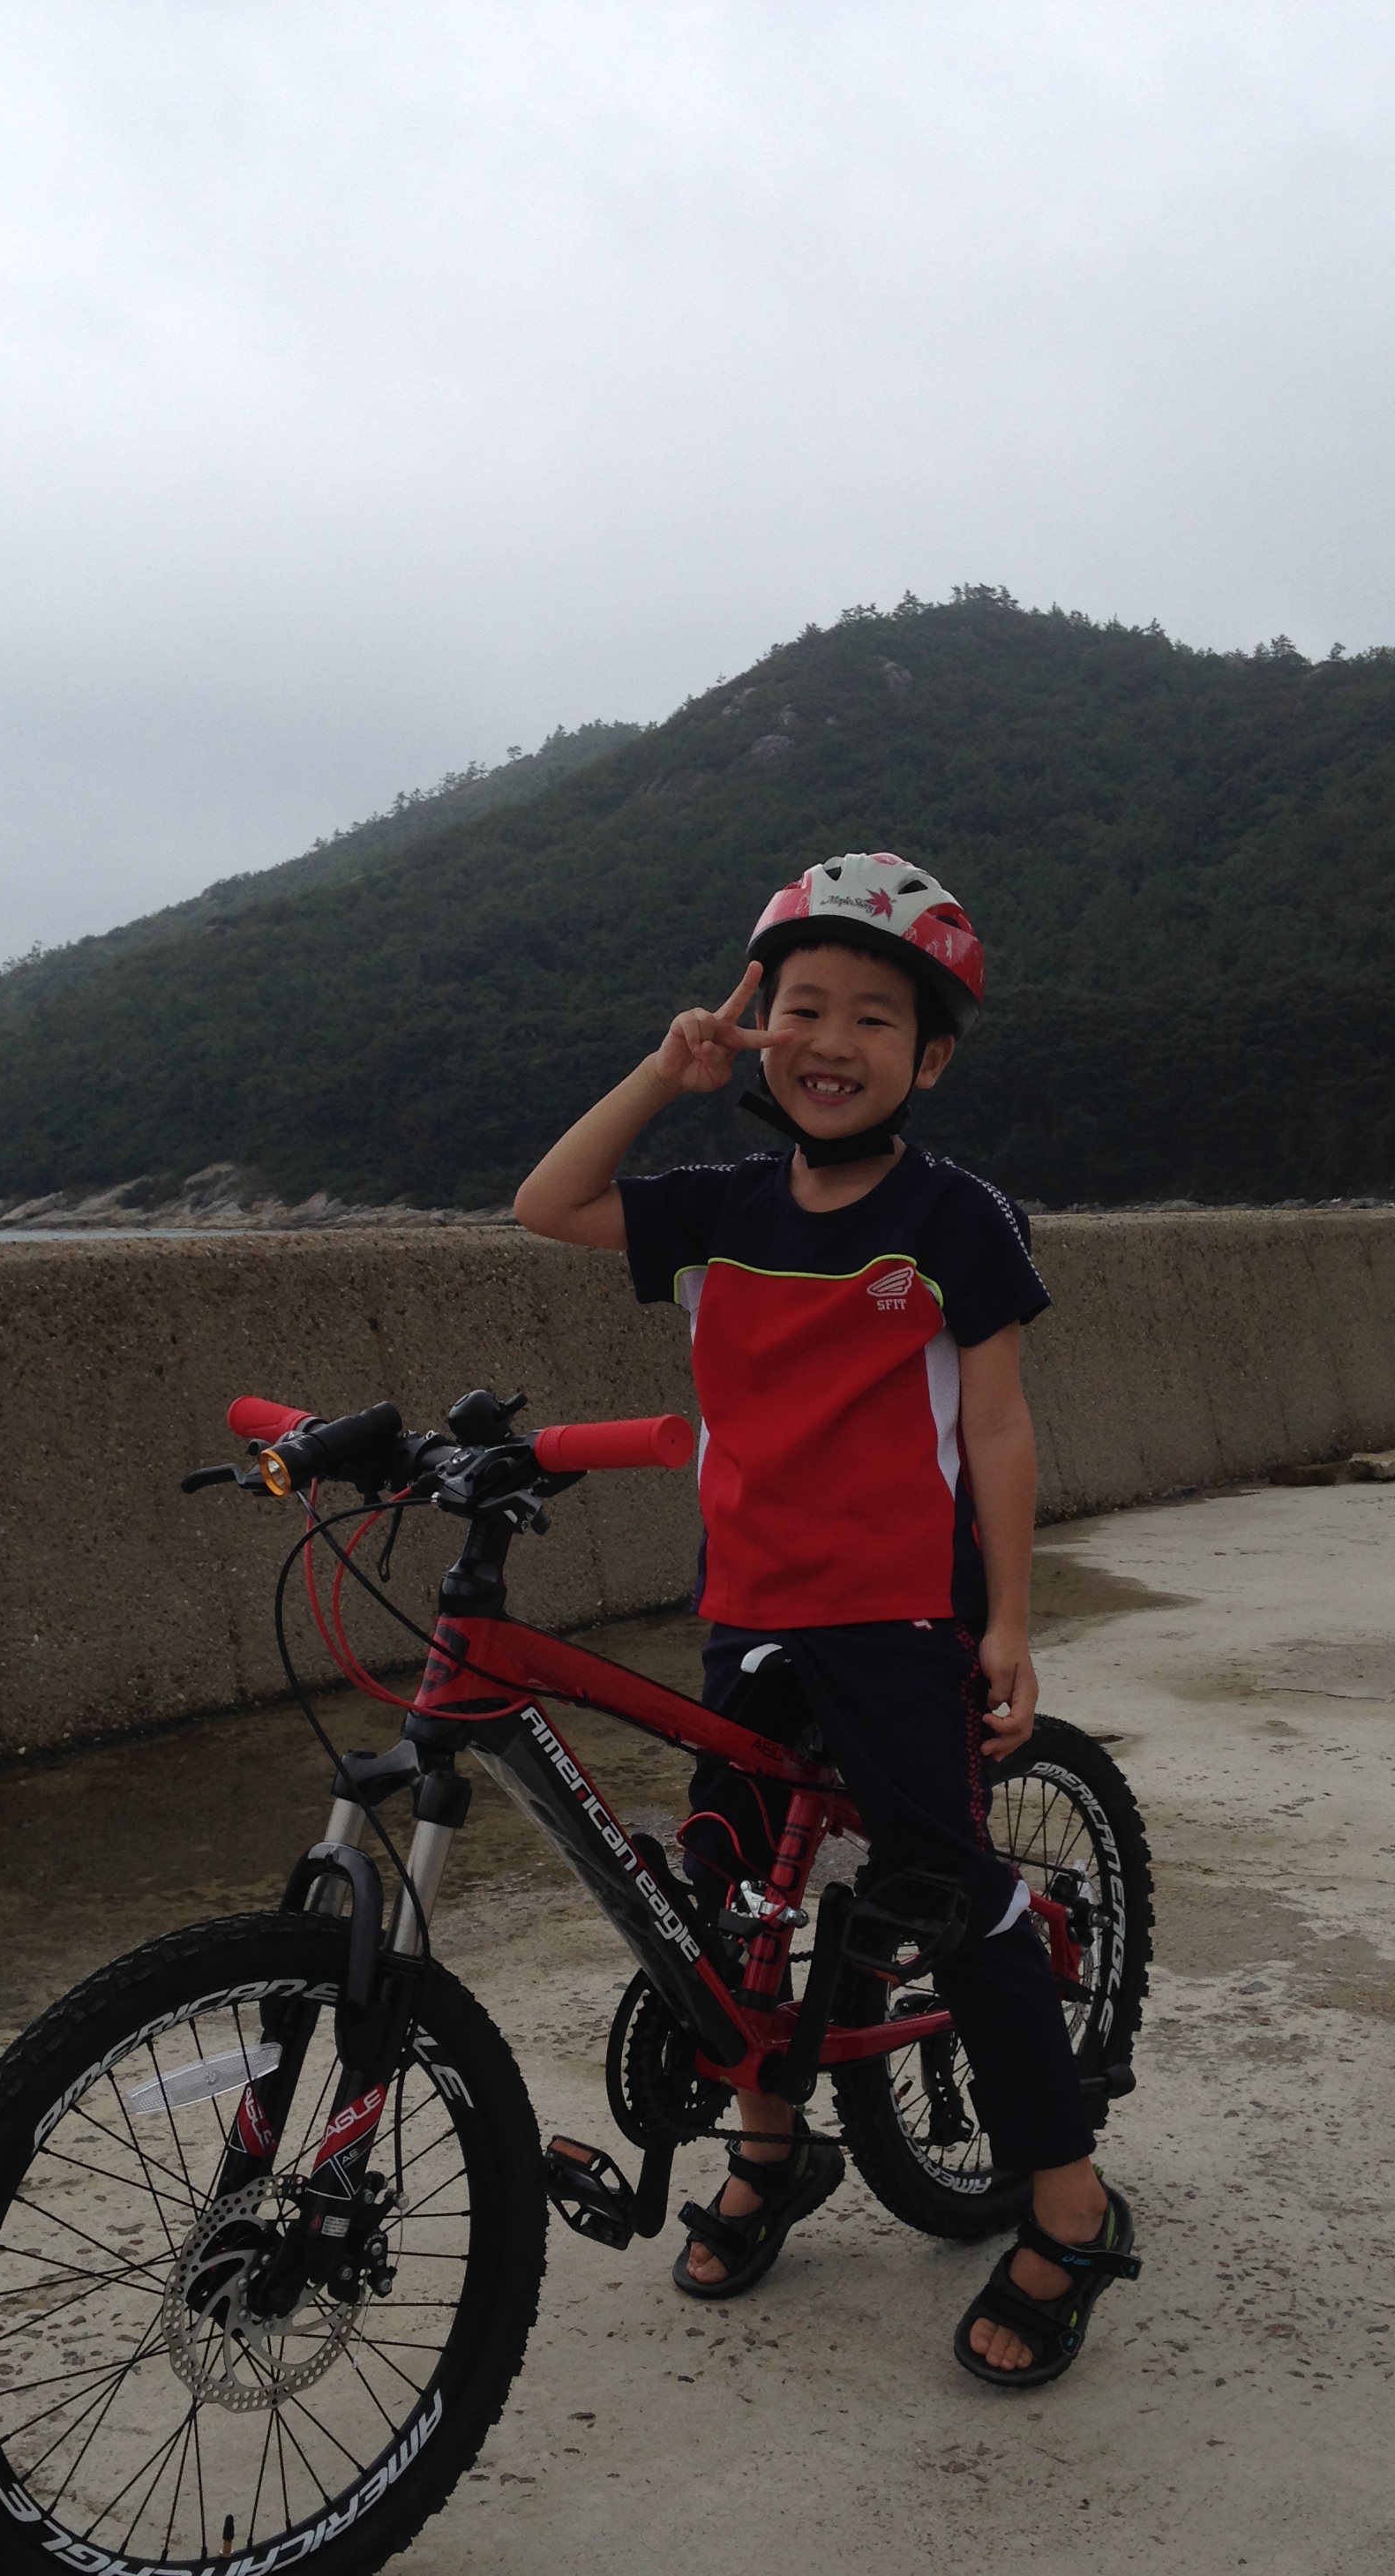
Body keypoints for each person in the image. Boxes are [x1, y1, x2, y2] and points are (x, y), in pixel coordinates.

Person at [514, 851, 1136, 2387]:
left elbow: (997, 1426)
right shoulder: (718, 1206)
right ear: (759, 1025)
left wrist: (1010, 1622)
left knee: (946, 1893)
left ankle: (1070, 2207)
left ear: (931, 1059)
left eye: (874, 1016)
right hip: (752, 1607)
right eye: (802, 1007)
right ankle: (773, 2146)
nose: (831, 1040)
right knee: (728, 1896)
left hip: (903, 1611)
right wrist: (664, 1073)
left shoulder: (954, 1216)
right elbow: (547, 1203)